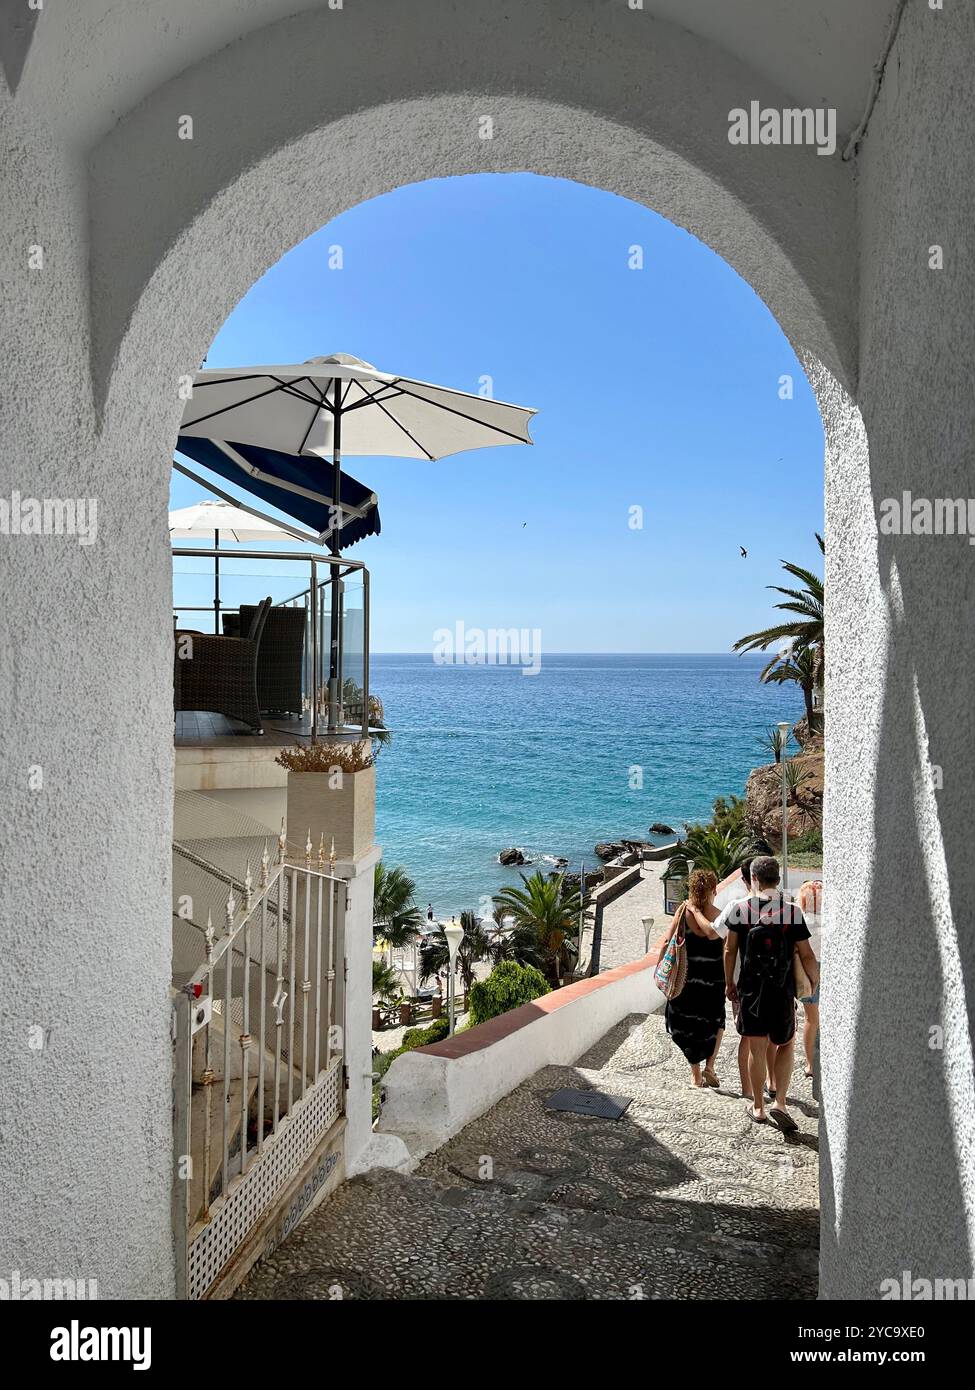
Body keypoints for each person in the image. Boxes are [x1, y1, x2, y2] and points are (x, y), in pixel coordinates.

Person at [723, 856, 819, 1131]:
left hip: (751, 992)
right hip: (781, 991)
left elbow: (729, 950)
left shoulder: (740, 910)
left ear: (753, 879)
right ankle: (781, 1102)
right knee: (785, 1043)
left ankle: (758, 1107)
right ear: (777, 880)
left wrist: (729, 982)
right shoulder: (790, 912)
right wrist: (813, 983)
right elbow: (807, 954)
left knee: (756, 1046)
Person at [663, 869, 726, 1088]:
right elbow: (726, 948)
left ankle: (696, 1075)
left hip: (687, 979)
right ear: (714, 890)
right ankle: (710, 1065)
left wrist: (662, 969)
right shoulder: (720, 915)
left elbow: (667, 942)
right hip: (715, 979)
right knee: (716, 1021)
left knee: (686, 1023)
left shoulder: (683, 912)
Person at [711, 857, 754, 1097]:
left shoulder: (736, 907)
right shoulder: (785, 906)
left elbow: (717, 932)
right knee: (776, 1038)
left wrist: (694, 910)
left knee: (748, 1037)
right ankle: (772, 1088)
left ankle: (749, 1092)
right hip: (778, 984)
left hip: (742, 983)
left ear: (746, 880)